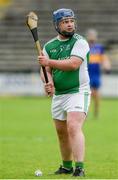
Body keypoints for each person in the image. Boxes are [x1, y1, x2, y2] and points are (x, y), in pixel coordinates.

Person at [38, 8, 91, 177]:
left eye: (71, 21)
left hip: (78, 91)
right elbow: (45, 69)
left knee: (73, 126)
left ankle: (80, 167)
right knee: (61, 132)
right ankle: (67, 166)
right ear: (57, 25)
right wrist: (49, 82)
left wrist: (48, 61)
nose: (70, 25)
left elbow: (73, 64)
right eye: (65, 22)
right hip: (59, 94)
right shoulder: (49, 46)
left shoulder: (80, 42)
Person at [86, 29, 111, 117]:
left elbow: (104, 59)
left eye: (93, 35)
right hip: (87, 74)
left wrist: (107, 66)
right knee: (87, 94)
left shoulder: (99, 48)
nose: (92, 37)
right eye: (90, 35)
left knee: (96, 94)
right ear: (87, 37)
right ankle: (86, 113)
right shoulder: (85, 47)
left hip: (96, 74)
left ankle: (96, 111)